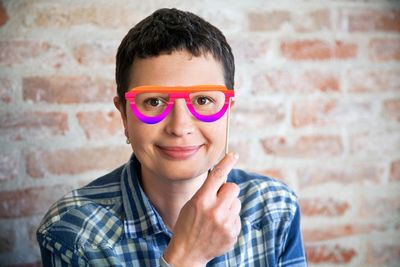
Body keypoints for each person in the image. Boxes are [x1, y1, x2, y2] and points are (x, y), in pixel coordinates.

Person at [36, 8, 307, 267]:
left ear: (227, 112)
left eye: (203, 100)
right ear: (124, 117)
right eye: (154, 102)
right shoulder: (73, 231)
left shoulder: (275, 207)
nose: (179, 127)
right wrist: (187, 258)